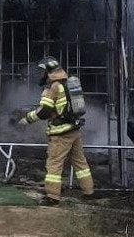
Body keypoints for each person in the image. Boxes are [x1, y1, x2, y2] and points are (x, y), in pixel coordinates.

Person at [16, 56, 94, 205]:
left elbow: (44, 111)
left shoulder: (52, 87)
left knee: (54, 165)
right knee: (80, 163)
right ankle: (89, 192)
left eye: (42, 72)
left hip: (60, 133)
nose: (41, 75)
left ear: (48, 72)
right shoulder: (67, 83)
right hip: (74, 130)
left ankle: (53, 197)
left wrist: (27, 119)